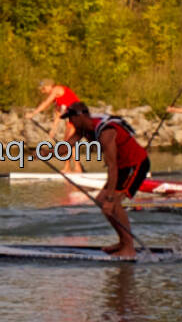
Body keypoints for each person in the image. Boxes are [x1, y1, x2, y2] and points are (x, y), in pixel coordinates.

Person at [60, 101, 149, 258]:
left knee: (112, 203)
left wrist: (110, 198)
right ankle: (122, 242)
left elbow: (112, 166)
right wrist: (40, 154)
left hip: (135, 165)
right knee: (101, 200)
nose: (70, 122)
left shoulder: (105, 132)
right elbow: (65, 148)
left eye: (71, 118)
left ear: (81, 116)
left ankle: (129, 248)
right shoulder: (83, 128)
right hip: (122, 167)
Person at [31, 79, 83, 173]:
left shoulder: (56, 89)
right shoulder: (56, 98)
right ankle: (69, 168)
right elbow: (58, 113)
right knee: (67, 143)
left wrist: (33, 113)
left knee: (68, 143)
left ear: (49, 86)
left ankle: (76, 168)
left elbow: (46, 103)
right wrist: (53, 129)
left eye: (43, 88)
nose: (43, 91)